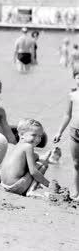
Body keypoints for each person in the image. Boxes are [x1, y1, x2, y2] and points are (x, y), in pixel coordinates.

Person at [0, 119, 50, 196]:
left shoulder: (13, 146)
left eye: (40, 136)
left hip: (3, 185)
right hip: (15, 187)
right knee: (43, 164)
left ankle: (33, 186)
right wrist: (47, 184)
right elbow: (33, 172)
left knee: (36, 157)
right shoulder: (28, 146)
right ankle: (31, 190)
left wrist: (36, 157)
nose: (38, 139)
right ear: (22, 134)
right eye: (34, 135)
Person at [52, 70, 79, 199]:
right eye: (78, 77)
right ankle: (76, 192)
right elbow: (67, 115)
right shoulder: (72, 95)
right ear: (75, 78)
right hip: (75, 132)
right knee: (76, 164)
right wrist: (59, 132)